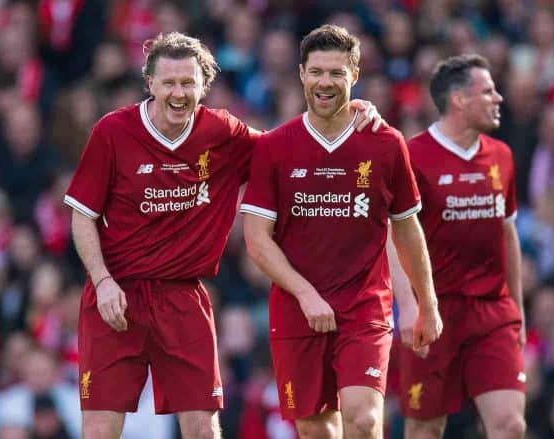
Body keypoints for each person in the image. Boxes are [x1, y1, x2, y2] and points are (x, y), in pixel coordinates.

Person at [63, 31, 384, 439]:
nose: (178, 93)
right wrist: (103, 280)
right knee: (100, 428)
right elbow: (81, 215)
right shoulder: (113, 132)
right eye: (169, 83)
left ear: (203, 86)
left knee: (202, 427)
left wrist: (346, 111)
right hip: (116, 296)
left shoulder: (222, 132)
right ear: (150, 84)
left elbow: (287, 151)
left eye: (188, 83)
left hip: (182, 297)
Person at [241, 24, 442, 439]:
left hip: (364, 305)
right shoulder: (275, 147)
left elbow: (407, 230)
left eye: (336, 72)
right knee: (316, 430)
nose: (325, 82)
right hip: (298, 308)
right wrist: (305, 293)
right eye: (316, 72)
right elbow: (257, 241)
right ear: (301, 75)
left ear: (355, 75)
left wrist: (428, 303)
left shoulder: (385, 143)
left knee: (365, 419)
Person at [389, 54, 526, 439]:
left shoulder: (501, 156)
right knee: (425, 429)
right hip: (435, 313)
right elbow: (393, 234)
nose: (498, 98)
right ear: (459, 100)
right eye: (488, 91)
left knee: (511, 425)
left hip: (492, 312)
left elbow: (508, 233)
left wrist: (517, 310)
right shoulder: (412, 156)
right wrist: (410, 307)